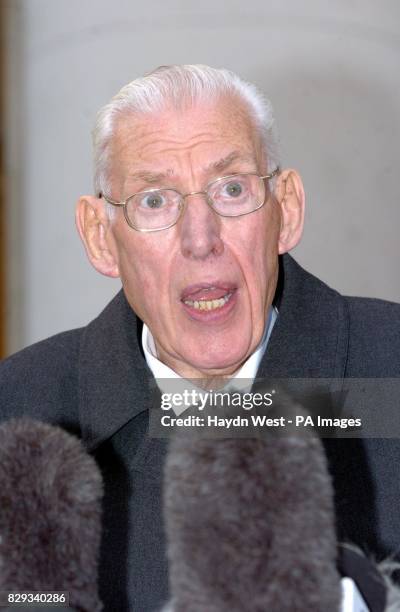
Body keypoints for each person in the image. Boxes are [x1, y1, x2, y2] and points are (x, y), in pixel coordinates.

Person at [1, 64, 399, 611]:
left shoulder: (390, 369)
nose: (200, 239)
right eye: (154, 201)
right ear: (101, 238)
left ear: (286, 209)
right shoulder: (20, 405)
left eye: (231, 189)